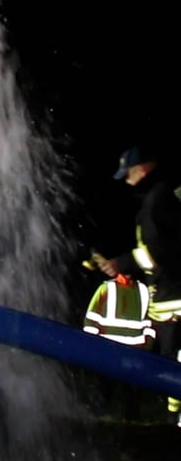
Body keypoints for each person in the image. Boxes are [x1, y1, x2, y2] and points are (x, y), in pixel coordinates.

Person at [94, 144, 181, 427]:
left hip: (173, 304)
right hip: (168, 299)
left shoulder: (156, 203)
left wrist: (121, 263)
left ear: (142, 170)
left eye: (129, 175)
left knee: (171, 367)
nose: (127, 182)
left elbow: (158, 254)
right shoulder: (164, 197)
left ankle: (173, 426)